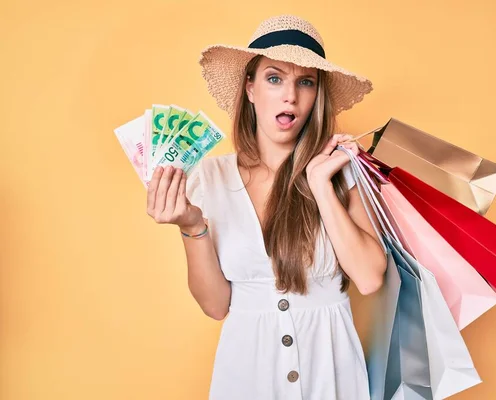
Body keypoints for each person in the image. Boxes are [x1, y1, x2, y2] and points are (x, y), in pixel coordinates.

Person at [145, 14, 387, 400]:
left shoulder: (341, 170)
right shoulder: (208, 177)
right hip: (247, 372)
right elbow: (216, 306)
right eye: (274, 78)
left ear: (316, 95)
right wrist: (191, 225)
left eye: (305, 82)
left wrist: (321, 186)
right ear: (251, 88)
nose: (290, 95)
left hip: (330, 370)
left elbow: (370, 278)